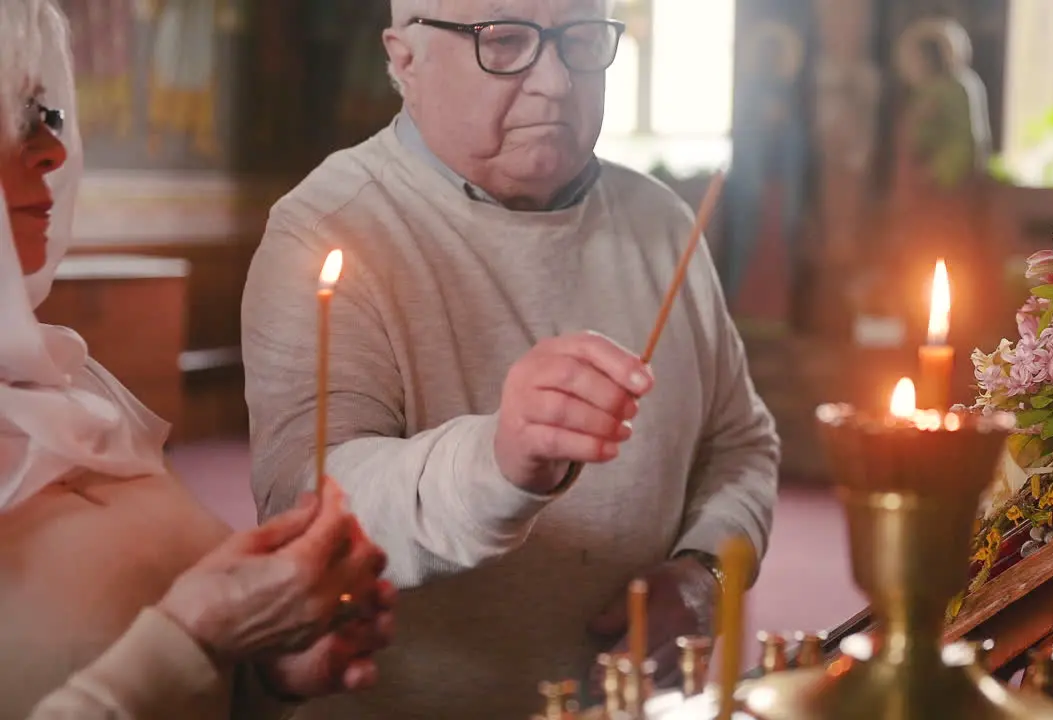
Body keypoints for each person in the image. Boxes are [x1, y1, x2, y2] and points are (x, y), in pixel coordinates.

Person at [241, 0, 780, 717]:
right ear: (404, 59)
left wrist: (704, 572)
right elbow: (311, 504)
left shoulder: (661, 223)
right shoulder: (326, 228)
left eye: (580, 40)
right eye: (504, 40)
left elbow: (741, 445)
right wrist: (497, 461)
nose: (555, 81)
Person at [0, 0, 394, 716]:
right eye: (9, 115)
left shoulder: (68, 384)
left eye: (45, 113)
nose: (51, 151)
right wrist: (197, 640)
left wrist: (267, 666)